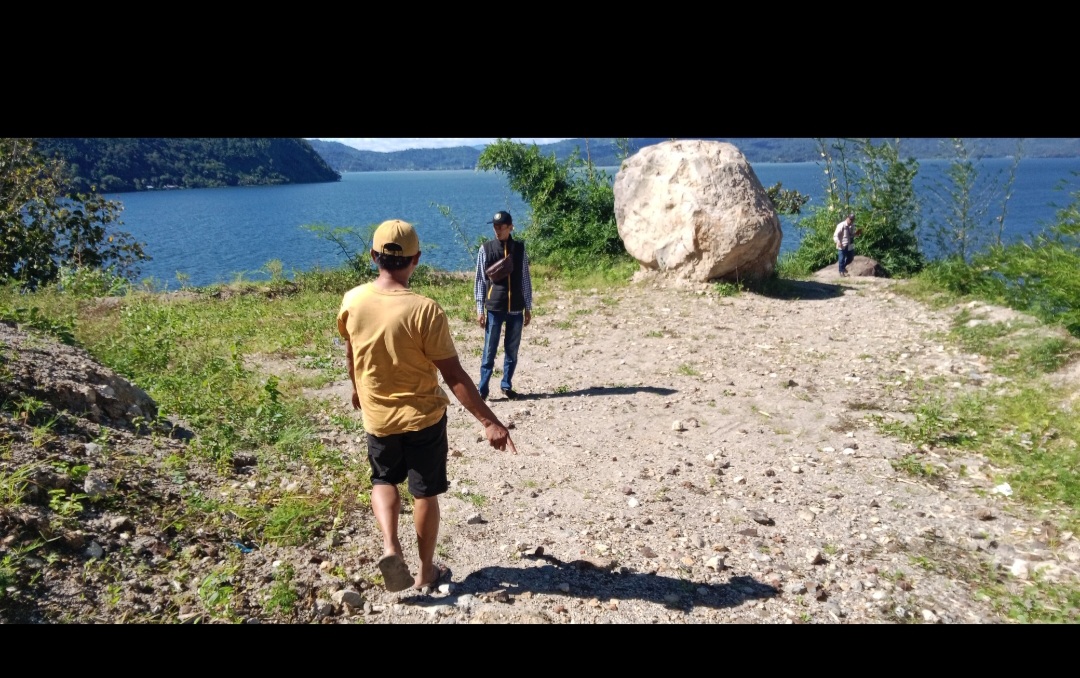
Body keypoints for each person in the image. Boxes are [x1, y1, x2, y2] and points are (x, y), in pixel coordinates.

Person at [338, 219, 518, 592]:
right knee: (424, 493)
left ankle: (391, 546)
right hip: (423, 420)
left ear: (373, 256)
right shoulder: (425, 310)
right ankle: (424, 572)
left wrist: (357, 389)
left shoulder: (353, 300)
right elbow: (453, 375)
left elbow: (352, 353)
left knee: (383, 479)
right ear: (416, 259)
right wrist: (489, 421)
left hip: (378, 417)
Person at [474, 210, 533, 400]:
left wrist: (528, 306)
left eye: (501, 227)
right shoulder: (486, 249)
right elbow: (480, 280)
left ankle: (506, 385)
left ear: (510, 227)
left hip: (516, 308)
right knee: (489, 351)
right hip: (494, 308)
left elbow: (525, 279)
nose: (497, 230)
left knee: (512, 350)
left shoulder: (520, 249)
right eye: (495, 227)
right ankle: (482, 389)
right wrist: (479, 309)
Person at [833, 213, 862, 277]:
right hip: (842, 244)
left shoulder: (852, 225)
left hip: (850, 244)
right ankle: (841, 271)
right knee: (841, 259)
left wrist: (856, 234)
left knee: (851, 258)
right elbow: (835, 235)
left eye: (852, 219)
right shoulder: (841, 225)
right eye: (850, 219)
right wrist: (838, 242)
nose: (851, 221)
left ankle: (843, 267)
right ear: (847, 218)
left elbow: (851, 234)